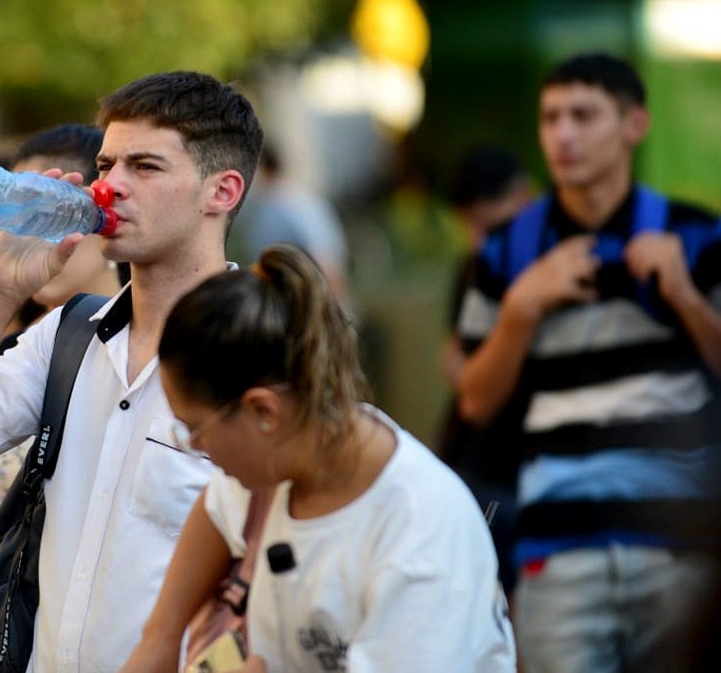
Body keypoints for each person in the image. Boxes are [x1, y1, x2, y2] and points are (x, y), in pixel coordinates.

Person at [0, 70, 264, 670]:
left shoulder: (267, 351)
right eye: (106, 165)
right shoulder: (67, 335)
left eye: (144, 167)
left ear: (220, 192)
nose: (108, 189)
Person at [119, 244, 515, 671]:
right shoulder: (292, 454)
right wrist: (161, 634)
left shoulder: (421, 538)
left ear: (263, 411)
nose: (196, 449)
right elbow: (216, 509)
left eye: (194, 430)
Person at [456, 53, 721, 672]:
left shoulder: (699, 235)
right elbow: (475, 401)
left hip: (682, 544)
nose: (563, 135)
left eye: (583, 115)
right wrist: (522, 307)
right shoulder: (506, 252)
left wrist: (682, 293)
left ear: (634, 125)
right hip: (557, 549)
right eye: (550, 118)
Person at [438, 146, 533, 596]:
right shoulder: (475, 267)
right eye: (470, 226)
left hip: (527, 466)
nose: (480, 240)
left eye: (489, 224)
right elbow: (455, 357)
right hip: (475, 458)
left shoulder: (553, 265)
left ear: (524, 196)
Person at [228, 142, 348, 296]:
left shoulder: (292, 204)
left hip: (304, 300)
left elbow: (326, 261)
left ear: (264, 167)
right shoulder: (266, 206)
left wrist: (324, 310)